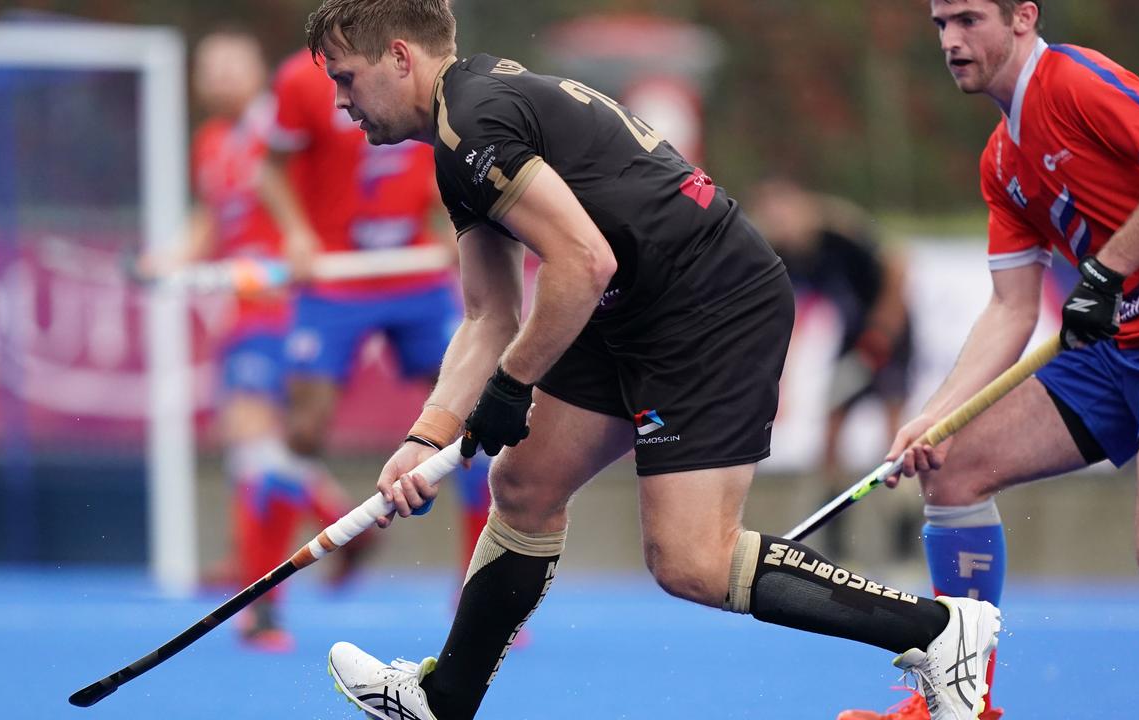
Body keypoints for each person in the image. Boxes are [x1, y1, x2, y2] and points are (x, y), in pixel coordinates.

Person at [304, 3, 1002, 719]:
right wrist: (427, 437)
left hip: (708, 303)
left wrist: (513, 386)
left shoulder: (473, 125)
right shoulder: (464, 130)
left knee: (691, 561)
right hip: (629, 304)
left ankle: (941, 632)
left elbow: (582, 260)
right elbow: (491, 315)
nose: (340, 103)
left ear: (399, 56)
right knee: (523, 487)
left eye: (347, 80)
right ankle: (443, 701)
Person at [838, 2, 1139, 719]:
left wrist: (1108, 270)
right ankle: (960, 701)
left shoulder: (1075, 81)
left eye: (969, 19)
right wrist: (936, 416)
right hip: (1118, 348)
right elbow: (1011, 308)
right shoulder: (1000, 160)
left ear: (1022, 17)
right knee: (953, 469)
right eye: (940, 24)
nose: (952, 41)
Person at [143, 29, 366, 651]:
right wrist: (170, 259)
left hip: (288, 310)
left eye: (229, 65)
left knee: (253, 446)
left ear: (259, 70)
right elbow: (210, 218)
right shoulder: (210, 141)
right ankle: (333, 532)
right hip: (242, 312)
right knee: (258, 455)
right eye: (206, 68)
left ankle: (268, 592)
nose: (216, 78)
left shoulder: (284, 126)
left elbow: (327, 194)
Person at [259, 44, 493, 574]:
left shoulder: (430, 66)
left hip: (415, 277)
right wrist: (296, 234)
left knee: (473, 422)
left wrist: (447, 221)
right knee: (303, 430)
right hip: (334, 279)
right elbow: (270, 171)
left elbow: (450, 153)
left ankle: (478, 591)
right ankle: (264, 600)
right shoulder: (301, 79)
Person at [749, 178, 915, 562]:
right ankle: (838, 539)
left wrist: (884, 329)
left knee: (893, 428)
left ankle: (904, 533)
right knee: (831, 426)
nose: (780, 224)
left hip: (893, 329)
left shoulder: (837, 230)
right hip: (854, 331)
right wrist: (779, 384)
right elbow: (783, 319)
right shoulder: (783, 253)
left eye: (784, 213)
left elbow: (898, 265)